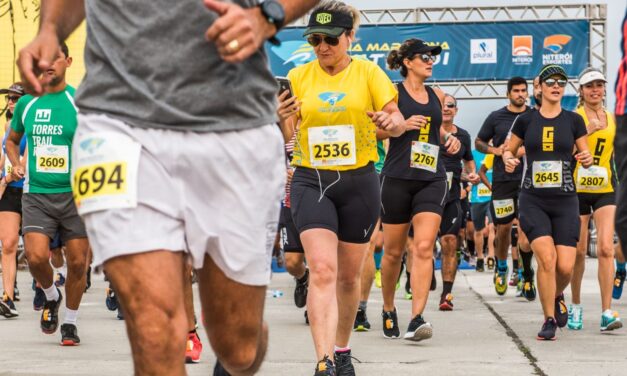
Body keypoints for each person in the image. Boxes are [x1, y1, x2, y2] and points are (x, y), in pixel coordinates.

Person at [17, 0, 319, 374]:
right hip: (118, 126)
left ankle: (236, 347)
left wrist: (268, 15)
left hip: (231, 124)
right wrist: (50, 29)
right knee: (154, 329)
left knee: (238, 345)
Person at [285, 2, 405, 374]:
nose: (322, 47)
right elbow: (289, 133)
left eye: (331, 40)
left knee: (349, 277)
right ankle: (323, 361)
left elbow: (398, 122)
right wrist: (281, 121)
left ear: (350, 37)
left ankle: (341, 349)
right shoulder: (298, 76)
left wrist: (391, 120)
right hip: (311, 178)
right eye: (315, 39)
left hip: (359, 182)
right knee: (322, 269)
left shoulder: (369, 73)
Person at [7, 43, 90, 346]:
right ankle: (51, 294)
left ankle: (70, 322)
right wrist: (16, 164)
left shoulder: (80, 101)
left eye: (56, 57)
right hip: (37, 193)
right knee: (36, 256)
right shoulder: (28, 103)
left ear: (68, 61)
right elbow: (13, 141)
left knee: (79, 263)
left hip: (74, 195)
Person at [504, 64, 593, 340]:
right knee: (547, 259)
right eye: (550, 81)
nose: (556, 86)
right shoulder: (526, 121)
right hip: (533, 199)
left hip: (566, 200)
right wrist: (508, 158)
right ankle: (548, 319)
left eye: (561, 82)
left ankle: (556, 293)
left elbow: (585, 153)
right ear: (539, 87)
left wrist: (586, 159)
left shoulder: (574, 120)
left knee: (565, 266)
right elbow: (509, 149)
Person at [380, 38, 460, 341]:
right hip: (397, 178)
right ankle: (388, 308)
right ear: (407, 62)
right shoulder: (392, 92)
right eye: (424, 56)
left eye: (432, 56)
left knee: (425, 247)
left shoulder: (437, 94)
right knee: (393, 252)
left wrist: (450, 139)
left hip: (432, 177)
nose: (430, 60)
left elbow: (437, 129)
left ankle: (416, 318)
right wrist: (399, 126)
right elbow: (373, 129)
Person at [568, 67, 622, 332]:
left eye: (599, 85)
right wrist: (587, 130)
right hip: (577, 188)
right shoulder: (574, 117)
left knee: (605, 248)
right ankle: (575, 305)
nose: (595, 90)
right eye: (590, 86)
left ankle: (606, 311)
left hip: (605, 187)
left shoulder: (613, 118)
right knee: (578, 251)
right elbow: (563, 149)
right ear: (581, 91)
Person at [475, 76, 534, 297]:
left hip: (528, 180)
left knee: (527, 231)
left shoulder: (533, 116)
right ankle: (501, 267)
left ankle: (526, 274)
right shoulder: (496, 117)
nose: (520, 94)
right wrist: (496, 151)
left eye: (523, 90)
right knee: (503, 229)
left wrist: (523, 150)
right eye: (516, 91)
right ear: (508, 93)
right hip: (502, 181)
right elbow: (479, 142)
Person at [438, 94, 479, 311]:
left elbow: (469, 162)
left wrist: (470, 176)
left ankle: (446, 294)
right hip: (426, 195)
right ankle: (414, 279)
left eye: (450, 106)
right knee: (419, 246)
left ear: (456, 110)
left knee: (450, 242)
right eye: (442, 106)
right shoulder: (428, 131)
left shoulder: (463, 135)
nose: (446, 109)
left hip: (453, 195)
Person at [0, 83, 25, 318]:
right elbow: (3, 159)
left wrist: (18, 169)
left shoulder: (34, 127)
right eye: (10, 98)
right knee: (8, 244)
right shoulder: (8, 127)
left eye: (16, 99)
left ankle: (45, 289)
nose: (11, 102)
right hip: (9, 189)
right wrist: (4, 177)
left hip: (31, 191)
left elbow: (27, 160)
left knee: (40, 251)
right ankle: (7, 297)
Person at [471, 150, 494, 272]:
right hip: (477, 197)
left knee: (492, 226)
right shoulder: (473, 154)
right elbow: (468, 171)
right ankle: (480, 257)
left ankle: (491, 256)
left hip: (492, 195)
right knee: (478, 230)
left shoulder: (495, 153)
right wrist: (470, 180)